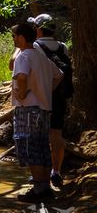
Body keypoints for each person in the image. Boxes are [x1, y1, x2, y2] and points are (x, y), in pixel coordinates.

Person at [11, 21, 62, 202]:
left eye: (14, 36)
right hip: (44, 108)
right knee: (42, 147)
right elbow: (59, 75)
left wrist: (22, 94)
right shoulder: (42, 57)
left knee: (30, 147)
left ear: (21, 38)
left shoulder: (23, 56)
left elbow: (22, 76)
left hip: (27, 109)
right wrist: (46, 90)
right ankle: (45, 187)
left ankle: (39, 189)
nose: (13, 40)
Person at [31, 13, 73, 189]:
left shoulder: (35, 46)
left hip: (42, 95)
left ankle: (40, 175)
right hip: (60, 96)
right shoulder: (63, 47)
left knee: (40, 135)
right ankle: (56, 171)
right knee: (56, 133)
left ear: (39, 29)